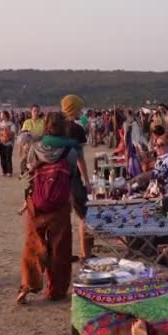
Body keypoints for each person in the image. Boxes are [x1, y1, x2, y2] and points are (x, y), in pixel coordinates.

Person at [18, 112, 78, 304]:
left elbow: (25, 169)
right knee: (60, 247)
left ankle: (28, 285)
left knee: (33, 244)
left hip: (36, 202)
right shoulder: (70, 150)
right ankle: (56, 290)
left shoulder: (36, 147)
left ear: (46, 126)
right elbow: (72, 174)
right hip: (60, 204)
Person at [61, 95, 93, 260]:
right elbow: (80, 158)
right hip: (72, 176)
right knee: (83, 215)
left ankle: (63, 254)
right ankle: (84, 253)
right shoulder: (76, 129)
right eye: (79, 108)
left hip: (54, 178)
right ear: (74, 108)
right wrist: (87, 181)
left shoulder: (53, 126)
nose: (81, 110)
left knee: (61, 217)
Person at [0, 110, 16, 176]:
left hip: (9, 143)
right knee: (2, 158)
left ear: (6, 115)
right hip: (1, 143)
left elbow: (13, 133)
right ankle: (4, 171)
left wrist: (7, 130)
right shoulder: (0, 124)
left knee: (8, 157)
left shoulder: (11, 124)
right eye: (1, 115)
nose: (1, 116)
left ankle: (9, 172)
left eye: (2, 114)